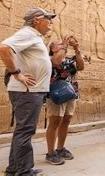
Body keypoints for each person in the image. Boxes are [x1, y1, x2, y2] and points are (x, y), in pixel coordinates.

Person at [0, 7, 56, 176]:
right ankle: (24, 171)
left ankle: (15, 168)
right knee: (25, 130)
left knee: (22, 130)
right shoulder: (28, 33)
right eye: (48, 19)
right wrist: (17, 73)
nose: (51, 22)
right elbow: (3, 48)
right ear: (37, 20)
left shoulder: (34, 36)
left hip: (31, 91)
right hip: (27, 91)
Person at [45, 36, 84, 165]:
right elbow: (56, 63)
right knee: (55, 122)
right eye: (58, 44)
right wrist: (65, 45)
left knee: (66, 120)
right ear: (52, 48)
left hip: (71, 93)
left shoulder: (69, 60)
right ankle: (50, 153)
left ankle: (60, 148)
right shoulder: (49, 59)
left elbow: (81, 66)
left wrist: (77, 49)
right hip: (56, 93)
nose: (62, 45)